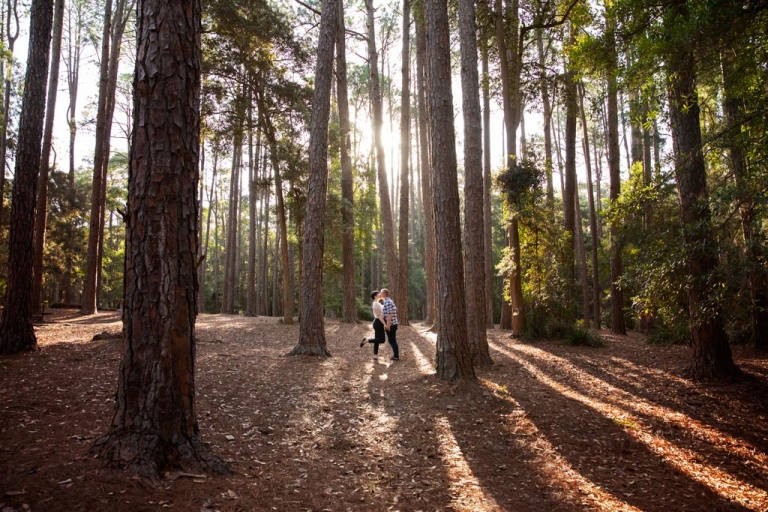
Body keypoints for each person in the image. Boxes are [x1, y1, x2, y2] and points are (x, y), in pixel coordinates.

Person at [360, 291, 386, 360]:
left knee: (377, 339)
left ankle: (375, 355)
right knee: (382, 340)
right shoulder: (375, 304)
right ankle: (366, 340)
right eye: (379, 294)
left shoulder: (378, 303)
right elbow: (379, 315)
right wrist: (385, 324)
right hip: (378, 322)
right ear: (375, 296)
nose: (380, 294)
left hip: (379, 322)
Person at [380, 288, 399, 361]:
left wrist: (388, 325)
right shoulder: (388, 301)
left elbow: (390, 314)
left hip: (391, 325)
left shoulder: (388, 302)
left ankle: (396, 356)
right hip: (393, 324)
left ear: (384, 294)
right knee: (392, 340)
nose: (380, 294)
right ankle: (396, 355)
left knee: (392, 340)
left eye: (381, 293)